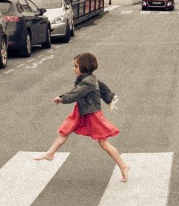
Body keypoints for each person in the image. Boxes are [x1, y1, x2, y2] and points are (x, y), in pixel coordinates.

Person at [35, 52, 129, 182]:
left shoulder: (88, 82)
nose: (74, 69)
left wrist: (62, 99)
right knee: (64, 130)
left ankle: (123, 166)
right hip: (80, 111)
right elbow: (102, 89)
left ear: (84, 67)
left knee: (104, 144)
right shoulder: (88, 79)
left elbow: (76, 93)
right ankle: (50, 153)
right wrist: (110, 98)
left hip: (92, 114)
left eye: (76, 66)